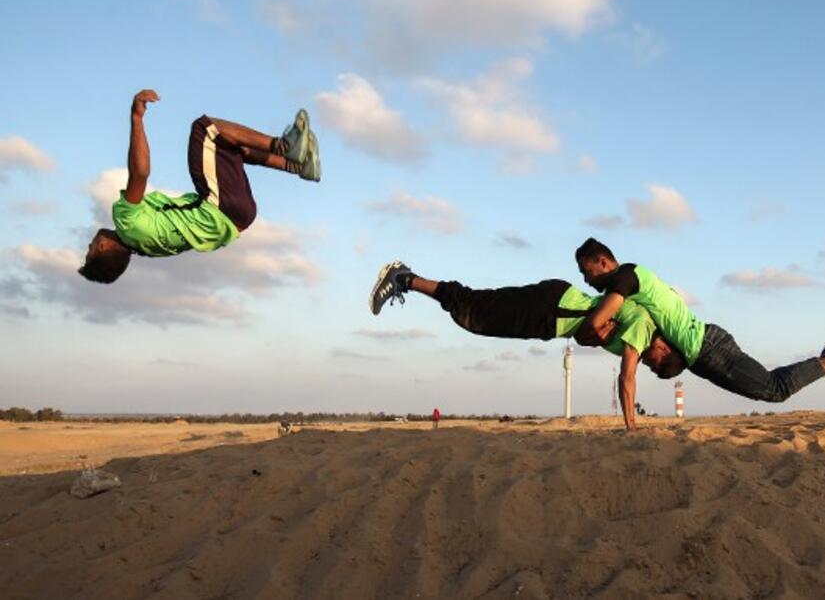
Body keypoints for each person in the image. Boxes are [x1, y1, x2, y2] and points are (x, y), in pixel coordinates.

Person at [573, 238, 825, 403]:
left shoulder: (626, 277)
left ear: (603, 262)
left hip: (709, 350)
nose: (587, 281)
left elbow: (597, 320)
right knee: (771, 388)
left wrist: (589, 332)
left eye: (587, 272)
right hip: (706, 352)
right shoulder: (632, 282)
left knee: (775, 389)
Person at [369, 260, 658, 429]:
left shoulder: (636, 324)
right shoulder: (643, 329)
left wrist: (593, 335)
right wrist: (631, 426)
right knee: (475, 309)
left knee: (478, 315)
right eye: (657, 362)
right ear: (665, 347)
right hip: (551, 308)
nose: (651, 363)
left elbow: (587, 335)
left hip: (551, 313)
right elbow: (625, 375)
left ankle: (407, 279)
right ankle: (404, 278)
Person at [78, 89, 321, 283]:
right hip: (219, 207)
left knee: (230, 143)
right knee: (205, 129)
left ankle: (298, 167)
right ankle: (284, 147)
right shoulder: (126, 222)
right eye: (90, 248)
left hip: (239, 219)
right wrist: (137, 118)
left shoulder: (148, 248)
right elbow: (139, 173)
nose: (90, 243)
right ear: (102, 247)